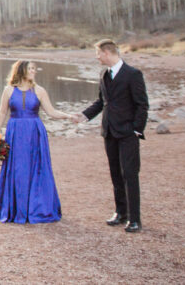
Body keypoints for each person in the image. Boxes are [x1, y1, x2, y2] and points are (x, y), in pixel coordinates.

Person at [73, 39, 148, 233]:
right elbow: (101, 102)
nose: (97, 57)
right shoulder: (103, 74)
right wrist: (84, 115)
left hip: (128, 134)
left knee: (129, 174)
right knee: (115, 174)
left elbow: (142, 105)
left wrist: (136, 130)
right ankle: (121, 213)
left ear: (107, 53)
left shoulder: (133, 74)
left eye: (98, 53)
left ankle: (134, 219)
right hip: (109, 132)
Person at [0, 60, 74, 223]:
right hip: (15, 132)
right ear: (21, 71)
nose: (33, 71)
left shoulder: (39, 90)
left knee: (37, 166)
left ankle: (37, 208)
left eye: (34, 69)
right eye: (30, 69)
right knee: (17, 168)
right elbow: (2, 112)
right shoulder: (9, 90)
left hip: (34, 132)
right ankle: (15, 207)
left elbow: (51, 111)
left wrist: (68, 116)